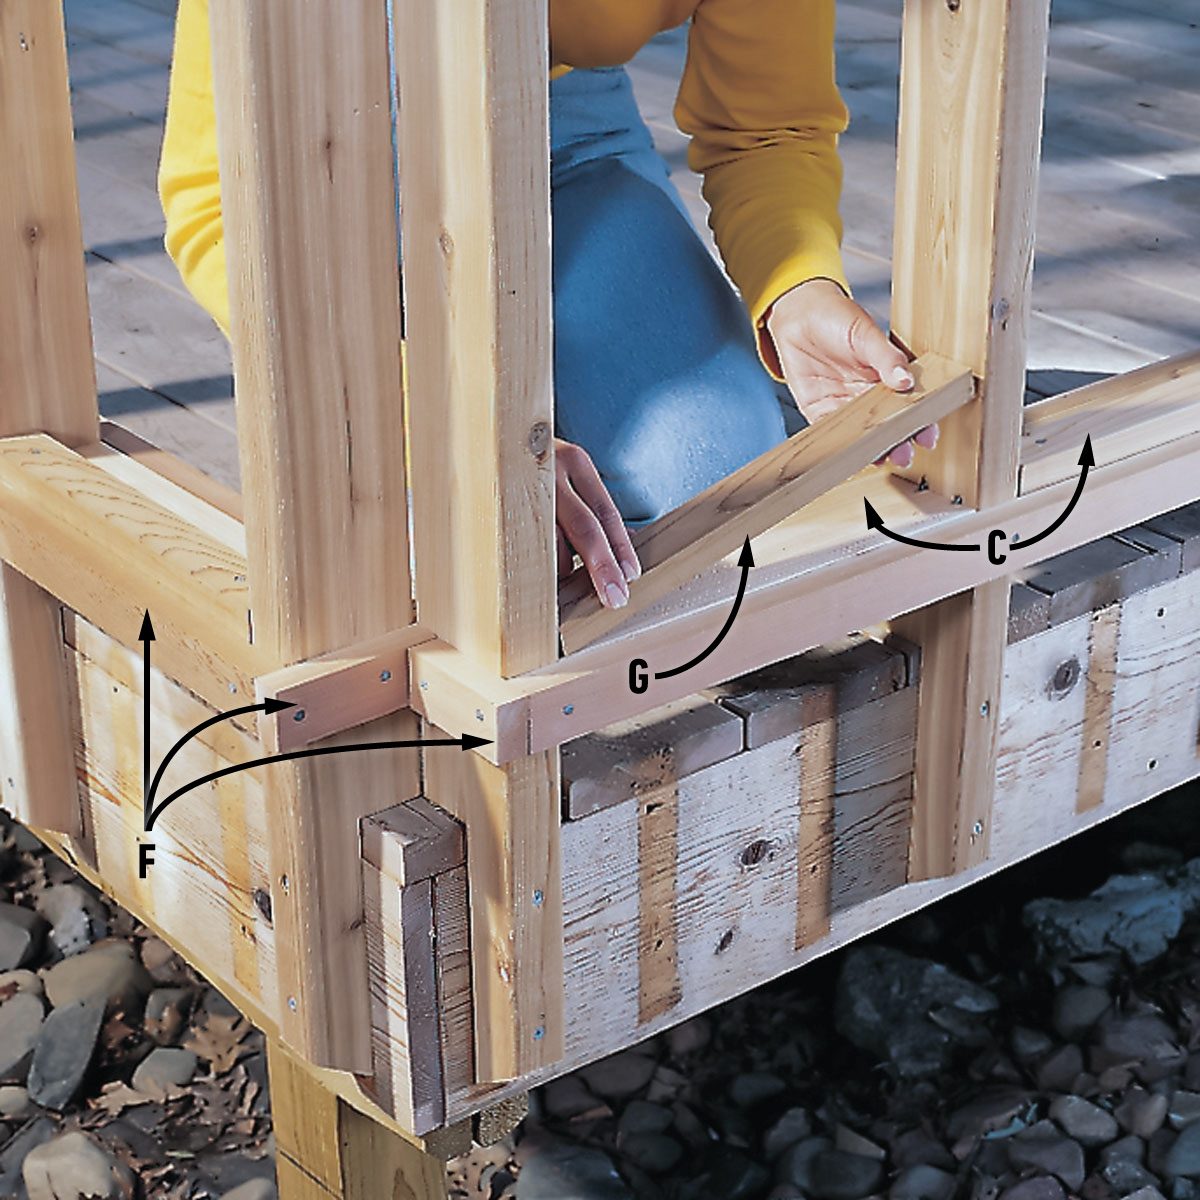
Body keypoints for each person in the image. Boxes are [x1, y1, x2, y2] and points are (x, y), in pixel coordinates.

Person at [159, 0, 936, 612]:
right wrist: (448, 427)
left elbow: (768, 127)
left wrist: (798, 288)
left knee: (705, 498)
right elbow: (215, 205)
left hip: (559, 123)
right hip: (318, 141)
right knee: (444, 556)